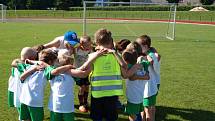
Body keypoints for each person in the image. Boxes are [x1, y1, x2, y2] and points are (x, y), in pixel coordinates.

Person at [80, 28, 141, 121]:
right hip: (112, 94)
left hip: (98, 94)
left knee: (97, 118)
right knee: (110, 118)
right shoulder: (116, 56)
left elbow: (84, 68)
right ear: (110, 42)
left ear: (96, 42)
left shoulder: (93, 56)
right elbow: (124, 68)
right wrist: (115, 53)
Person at [46, 49, 91, 121]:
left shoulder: (71, 72)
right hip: (55, 106)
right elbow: (54, 72)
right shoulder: (50, 70)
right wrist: (68, 67)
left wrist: (91, 63)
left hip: (67, 106)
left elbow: (83, 74)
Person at [19, 48, 58, 121]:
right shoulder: (46, 70)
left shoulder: (29, 66)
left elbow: (21, 77)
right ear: (50, 61)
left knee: (26, 119)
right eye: (54, 62)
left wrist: (32, 62)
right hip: (35, 102)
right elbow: (53, 70)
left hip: (23, 98)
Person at [122, 43, 150, 121]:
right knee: (137, 114)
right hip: (140, 95)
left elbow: (131, 77)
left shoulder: (130, 66)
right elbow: (147, 76)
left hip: (133, 96)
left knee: (133, 116)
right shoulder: (143, 64)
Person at [136, 35, 160, 121]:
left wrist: (146, 58)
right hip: (143, 88)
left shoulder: (152, 55)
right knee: (143, 108)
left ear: (145, 46)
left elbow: (154, 66)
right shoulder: (141, 55)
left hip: (149, 89)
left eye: (138, 46)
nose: (136, 48)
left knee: (149, 110)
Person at [11, 47, 38, 121]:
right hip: (24, 97)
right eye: (35, 58)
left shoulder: (16, 64)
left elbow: (14, 63)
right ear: (30, 58)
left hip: (18, 95)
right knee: (26, 117)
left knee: (23, 116)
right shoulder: (26, 67)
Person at [74, 35, 93, 112]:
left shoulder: (92, 49)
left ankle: (85, 102)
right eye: (86, 45)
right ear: (81, 44)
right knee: (82, 87)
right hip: (79, 72)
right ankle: (81, 104)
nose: (88, 46)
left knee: (87, 87)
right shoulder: (76, 49)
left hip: (87, 71)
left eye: (89, 44)